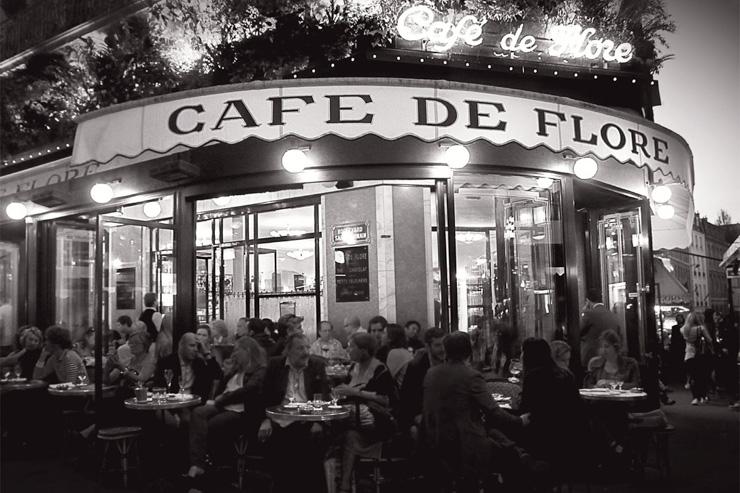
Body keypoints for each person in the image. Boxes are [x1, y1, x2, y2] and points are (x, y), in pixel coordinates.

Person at [423, 331, 528, 492]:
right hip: (465, 445)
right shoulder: (471, 376)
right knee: (510, 459)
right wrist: (520, 421)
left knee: (495, 436)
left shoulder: (431, 374)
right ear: (468, 350)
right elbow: (494, 412)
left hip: (436, 442)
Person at [186, 336, 267, 483]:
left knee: (212, 425)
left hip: (240, 410)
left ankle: (213, 463)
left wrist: (223, 398)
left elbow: (248, 390)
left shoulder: (260, 371)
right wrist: (228, 372)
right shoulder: (236, 369)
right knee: (197, 413)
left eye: (237, 350)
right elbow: (222, 385)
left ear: (247, 351)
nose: (234, 353)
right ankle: (197, 463)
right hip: (223, 404)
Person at [258, 333, 329, 493]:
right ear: (288, 351)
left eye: (307, 347)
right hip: (280, 419)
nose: (306, 352)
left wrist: (318, 421)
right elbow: (264, 396)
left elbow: (324, 397)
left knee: (308, 444)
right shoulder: (275, 365)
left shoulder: (316, 365)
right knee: (280, 444)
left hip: (308, 420)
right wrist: (265, 420)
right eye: (300, 348)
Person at [333, 332, 398, 493]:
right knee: (333, 434)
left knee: (349, 436)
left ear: (364, 350)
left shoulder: (380, 369)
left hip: (375, 423)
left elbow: (387, 400)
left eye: (351, 347)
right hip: (354, 419)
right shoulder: (354, 367)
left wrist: (356, 393)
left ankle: (345, 485)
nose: (348, 350)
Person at [519, 338, 587, 472]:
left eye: (522, 352)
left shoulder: (533, 377)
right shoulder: (566, 375)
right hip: (573, 437)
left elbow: (527, 410)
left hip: (544, 439)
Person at [154, 332, 223, 404]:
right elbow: (159, 387)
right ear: (181, 346)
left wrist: (206, 353)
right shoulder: (167, 362)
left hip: (193, 403)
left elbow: (218, 374)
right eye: (192, 346)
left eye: (197, 346)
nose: (196, 349)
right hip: (172, 403)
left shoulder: (199, 363)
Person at [399, 327, 445, 432]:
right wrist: (417, 417)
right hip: (422, 414)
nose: (443, 349)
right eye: (437, 345)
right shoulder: (416, 366)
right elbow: (407, 397)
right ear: (428, 347)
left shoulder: (450, 362)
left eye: (444, 344)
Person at [579, 288, 621, 368]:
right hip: (611, 356)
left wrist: (583, 312)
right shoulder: (612, 314)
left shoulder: (589, 314)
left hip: (592, 356)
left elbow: (578, 331)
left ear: (587, 301)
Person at [681, 311, 714, 405]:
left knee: (693, 377)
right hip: (700, 355)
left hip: (688, 354)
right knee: (702, 376)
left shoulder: (683, 329)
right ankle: (703, 396)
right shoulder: (701, 328)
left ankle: (695, 397)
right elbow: (709, 340)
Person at [669, 313, 686, 384]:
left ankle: (683, 377)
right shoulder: (674, 327)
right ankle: (679, 378)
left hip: (683, 346)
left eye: (680, 318)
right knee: (678, 363)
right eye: (678, 318)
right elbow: (673, 338)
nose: (679, 319)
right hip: (677, 347)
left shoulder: (685, 327)